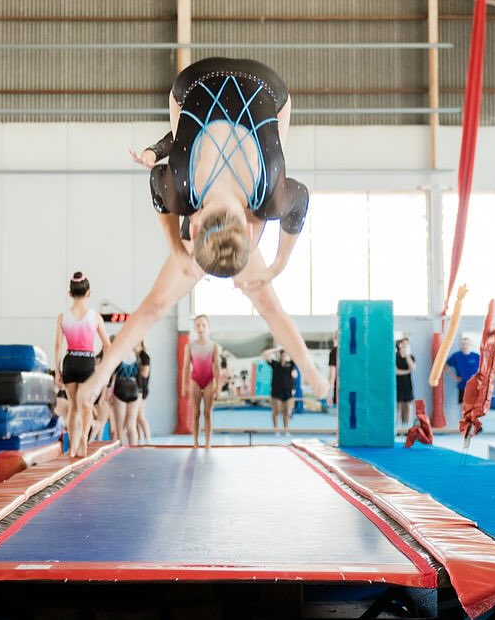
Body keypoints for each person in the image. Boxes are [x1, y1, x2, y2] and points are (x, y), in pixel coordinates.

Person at [78, 57, 330, 416]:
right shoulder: (186, 188)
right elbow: (156, 179)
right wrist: (272, 264)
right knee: (264, 299)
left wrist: (276, 264)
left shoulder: (263, 195)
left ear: (193, 229)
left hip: (250, 85)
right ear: (195, 228)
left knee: (159, 303)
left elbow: (299, 199)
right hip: (205, 85)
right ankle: (309, 368)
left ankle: (100, 375)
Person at [53, 272, 110, 458]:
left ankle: (72, 446)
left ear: (70, 293)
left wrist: (57, 371)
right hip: (87, 361)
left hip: (70, 361)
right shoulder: (95, 317)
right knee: (86, 405)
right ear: (89, 293)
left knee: (73, 407)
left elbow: (57, 346)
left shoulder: (62, 317)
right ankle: (84, 438)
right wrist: (104, 370)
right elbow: (108, 346)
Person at [182, 314, 220, 448]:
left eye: (203, 325)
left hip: (209, 380)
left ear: (208, 327)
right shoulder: (190, 346)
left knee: (207, 413)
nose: (201, 328)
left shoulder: (214, 346)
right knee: (196, 412)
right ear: (194, 328)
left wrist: (218, 388)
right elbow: (186, 367)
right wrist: (183, 386)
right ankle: (196, 442)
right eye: (198, 325)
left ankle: (208, 443)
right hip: (195, 380)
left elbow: (217, 368)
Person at [263, 346, 299, 434]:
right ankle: (276, 430)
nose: (284, 356)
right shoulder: (275, 364)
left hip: (288, 390)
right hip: (276, 391)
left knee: (286, 411)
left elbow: (298, 355)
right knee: (276, 411)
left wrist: (288, 349)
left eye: (285, 355)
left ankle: (286, 429)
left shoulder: (291, 364)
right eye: (282, 355)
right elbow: (265, 355)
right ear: (279, 355)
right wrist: (277, 349)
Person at [111, 348, 143, 446]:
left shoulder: (118, 354)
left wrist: (108, 392)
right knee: (131, 425)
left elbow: (112, 376)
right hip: (134, 388)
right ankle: (134, 449)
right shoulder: (136, 355)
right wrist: (141, 393)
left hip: (121, 387)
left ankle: (121, 452)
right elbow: (141, 377)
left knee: (119, 428)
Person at [445, 335, 480, 406]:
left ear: (470, 345)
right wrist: (454, 377)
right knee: (463, 407)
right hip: (462, 386)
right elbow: (445, 365)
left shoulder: (476, 356)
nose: (465, 345)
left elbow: (484, 368)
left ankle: (472, 417)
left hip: (474, 386)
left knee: (473, 406)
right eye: (463, 344)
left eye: (466, 344)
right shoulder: (456, 356)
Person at [395, 336, 416, 432]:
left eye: (407, 345)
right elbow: (396, 371)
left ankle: (406, 428)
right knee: (398, 406)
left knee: (407, 406)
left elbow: (413, 368)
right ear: (399, 345)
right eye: (403, 344)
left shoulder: (410, 357)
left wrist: (406, 356)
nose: (405, 346)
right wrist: (407, 371)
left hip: (407, 384)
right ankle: (396, 427)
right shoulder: (394, 356)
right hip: (397, 384)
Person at [135, 340, 152, 443]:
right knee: (136, 417)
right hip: (138, 387)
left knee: (140, 415)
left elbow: (145, 373)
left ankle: (148, 439)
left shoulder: (144, 356)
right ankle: (140, 438)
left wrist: (133, 370)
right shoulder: (137, 355)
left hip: (142, 388)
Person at [325, 330, 339, 413]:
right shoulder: (354, 351)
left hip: (341, 390)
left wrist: (329, 394)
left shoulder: (334, 352)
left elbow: (332, 376)